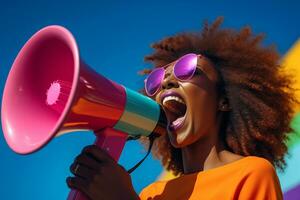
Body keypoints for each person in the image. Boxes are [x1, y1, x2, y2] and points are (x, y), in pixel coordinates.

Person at [66, 17, 298, 200]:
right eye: (155, 81)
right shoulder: (152, 194)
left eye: (189, 70)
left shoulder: (252, 174)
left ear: (223, 101)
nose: (166, 82)